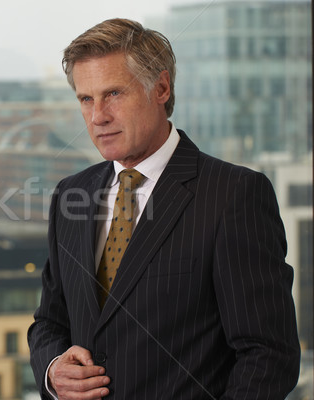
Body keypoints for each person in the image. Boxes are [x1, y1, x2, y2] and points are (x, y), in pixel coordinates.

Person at [27, 18, 300, 399]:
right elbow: (49, 322)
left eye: (114, 94)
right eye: (86, 99)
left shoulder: (234, 194)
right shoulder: (71, 194)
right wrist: (54, 370)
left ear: (161, 87)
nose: (97, 116)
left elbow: (268, 355)